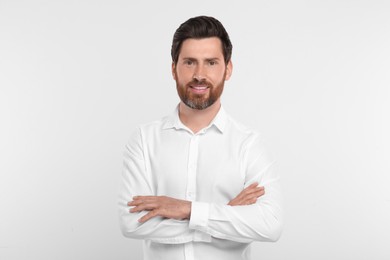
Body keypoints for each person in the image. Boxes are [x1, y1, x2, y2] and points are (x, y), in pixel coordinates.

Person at [118, 15, 283, 260]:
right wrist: (226, 215)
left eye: (211, 63)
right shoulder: (144, 139)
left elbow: (270, 224)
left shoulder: (249, 144)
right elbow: (132, 223)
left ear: (228, 69)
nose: (199, 74)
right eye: (189, 62)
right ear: (174, 68)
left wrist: (186, 210)